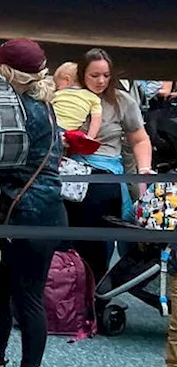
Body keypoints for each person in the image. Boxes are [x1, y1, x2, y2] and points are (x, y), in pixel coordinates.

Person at [0, 39, 66, 367]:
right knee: (4, 293)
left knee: (24, 297)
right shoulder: (44, 107)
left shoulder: (19, 109)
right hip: (38, 212)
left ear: (10, 74)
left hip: (25, 213)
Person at [64, 48, 153, 283]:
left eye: (105, 75)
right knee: (68, 243)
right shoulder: (67, 97)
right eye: (94, 75)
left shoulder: (123, 101)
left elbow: (140, 139)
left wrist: (144, 171)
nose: (101, 81)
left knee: (98, 247)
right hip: (69, 176)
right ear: (82, 74)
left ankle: (95, 299)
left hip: (105, 177)